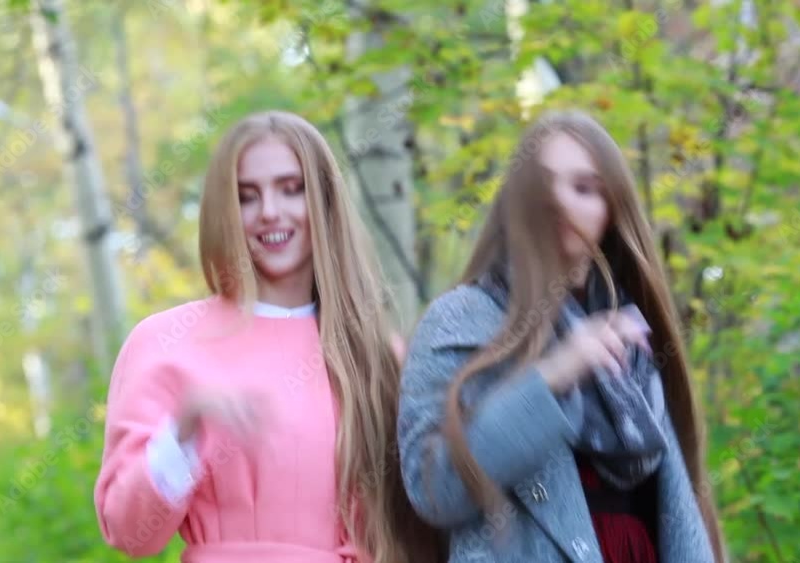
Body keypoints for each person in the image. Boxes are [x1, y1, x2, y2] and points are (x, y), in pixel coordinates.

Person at [95, 111, 441, 563]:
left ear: (324, 201)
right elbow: (128, 532)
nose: (271, 212)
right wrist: (183, 433)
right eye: (247, 196)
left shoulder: (376, 355)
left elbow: (417, 523)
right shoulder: (164, 343)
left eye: (291, 189)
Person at [398, 110, 725, 562]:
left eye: (586, 188)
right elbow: (433, 490)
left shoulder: (631, 332)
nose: (563, 204)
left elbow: (680, 517)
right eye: (545, 184)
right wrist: (552, 375)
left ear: (612, 211)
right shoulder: (461, 321)